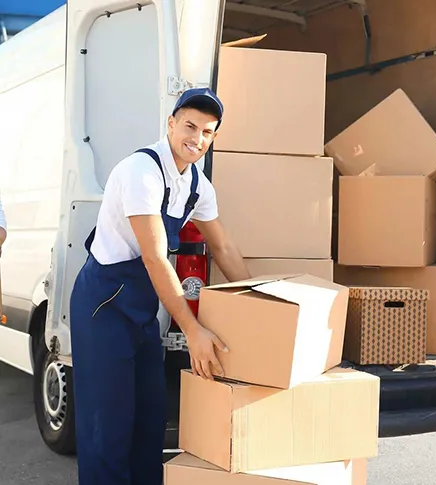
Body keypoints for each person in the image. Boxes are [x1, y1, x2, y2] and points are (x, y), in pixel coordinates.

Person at [69, 87, 250, 485]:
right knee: (108, 426)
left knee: (150, 419)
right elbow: (153, 257)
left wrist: (259, 299)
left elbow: (223, 246)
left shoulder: (197, 184)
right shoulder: (141, 172)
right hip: (104, 305)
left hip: (141, 310)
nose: (197, 138)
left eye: (207, 131)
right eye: (189, 126)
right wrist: (193, 329)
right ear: (171, 124)